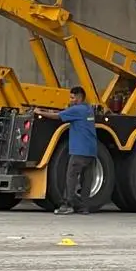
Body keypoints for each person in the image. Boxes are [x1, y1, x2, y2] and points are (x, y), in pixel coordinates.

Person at [55, 85, 98, 215]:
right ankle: (84, 208)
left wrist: (38, 112)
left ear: (79, 97)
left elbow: (57, 116)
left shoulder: (77, 110)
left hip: (79, 151)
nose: (71, 99)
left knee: (71, 178)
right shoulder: (88, 109)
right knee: (86, 180)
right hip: (91, 152)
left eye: (72, 97)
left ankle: (68, 205)